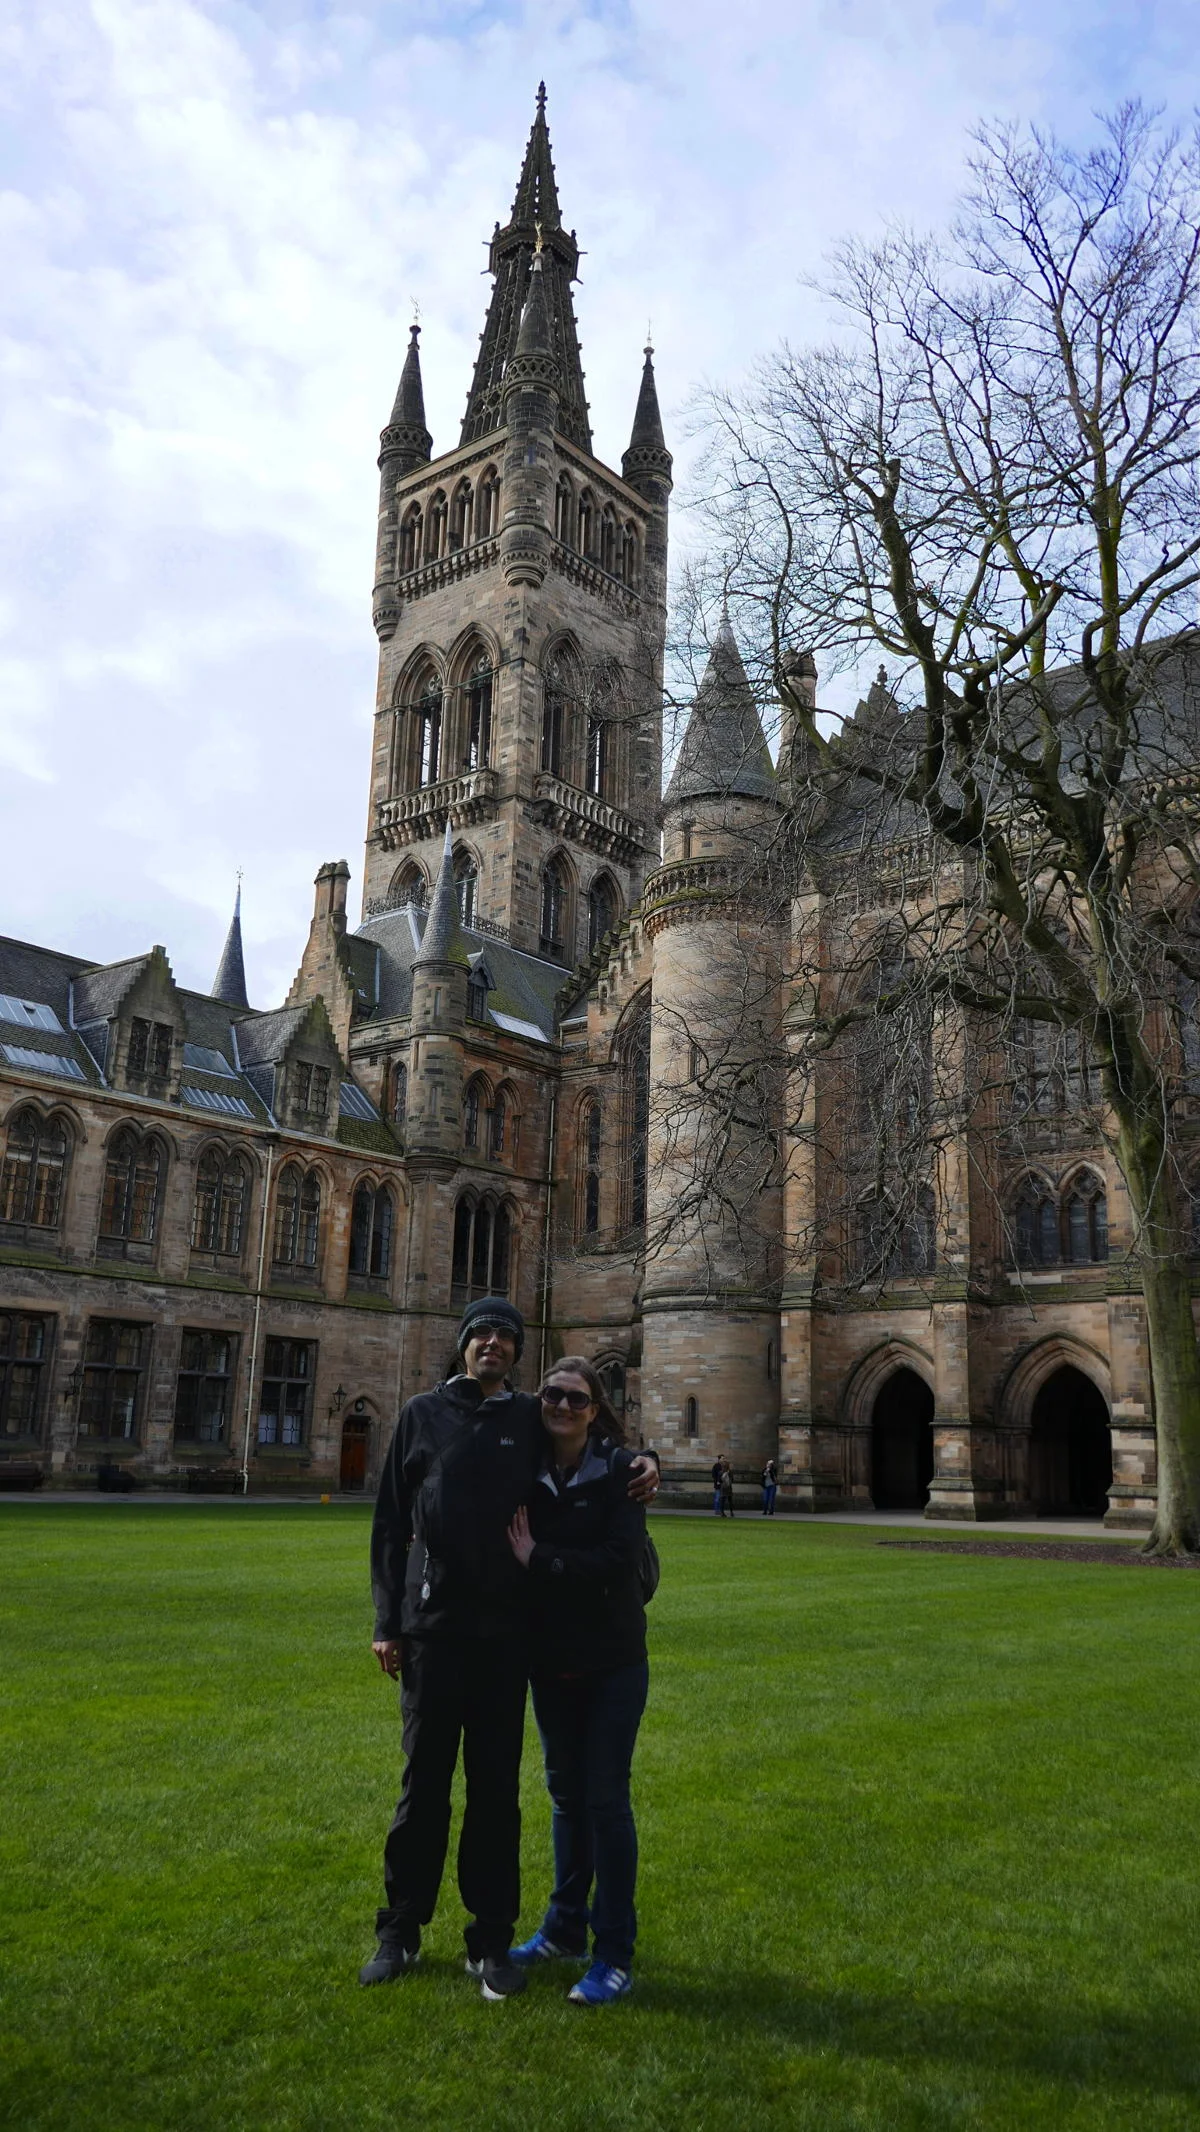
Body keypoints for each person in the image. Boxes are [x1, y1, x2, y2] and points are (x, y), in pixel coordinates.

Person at [361, 1300, 658, 2001]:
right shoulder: (419, 1416)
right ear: (463, 1344)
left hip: (505, 1641)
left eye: (505, 1337)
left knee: (496, 1796)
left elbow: (591, 1439)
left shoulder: (529, 1416)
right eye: (482, 1334)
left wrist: (646, 1459)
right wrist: (387, 1621)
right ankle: (400, 1930)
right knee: (422, 1790)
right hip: (432, 1633)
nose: (492, 1344)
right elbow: (388, 1525)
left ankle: (490, 1940)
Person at [506, 1357, 649, 2006]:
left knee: (605, 1803)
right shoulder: (521, 1467)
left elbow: (619, 1562)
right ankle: (564, 1929)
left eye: (576, 1398)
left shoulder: (621, 1473)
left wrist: (543, 1559)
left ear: (596, 1410)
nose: (562, 1406)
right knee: (565, 1798)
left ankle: (613, 1953)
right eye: (552, 1395)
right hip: (551, 1660)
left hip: (613, 1661)